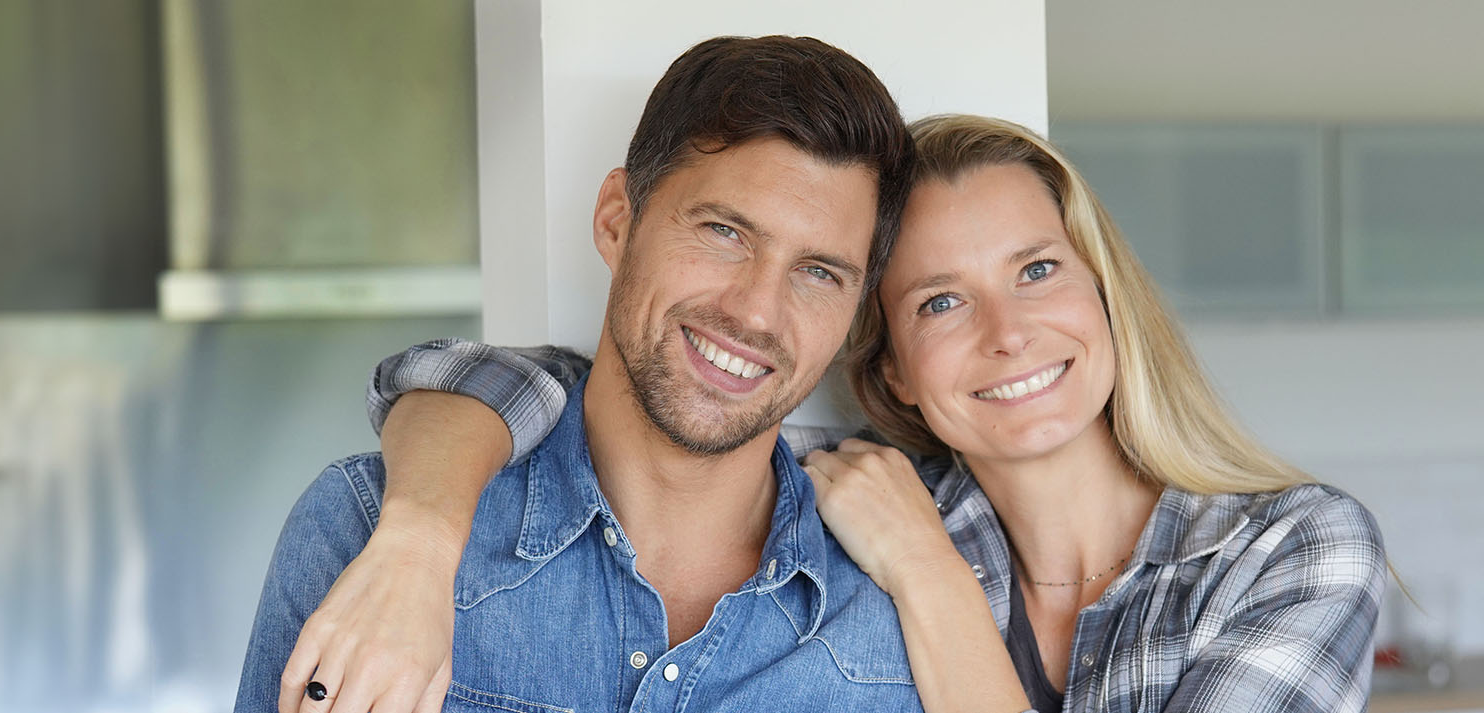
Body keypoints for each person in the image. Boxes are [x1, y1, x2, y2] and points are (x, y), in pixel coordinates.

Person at [293, 115, 1387, 713]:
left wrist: (924, 573)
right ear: (895, 366)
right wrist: (417, 539)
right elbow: (522, 382)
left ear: (1103, 291)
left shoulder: (1293, 544)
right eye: (940, 300)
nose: (1007, 333)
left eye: (1038, 269)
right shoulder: (852, 495)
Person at [235, 35, 928, 713]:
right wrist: (418, 539)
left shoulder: (903, 623)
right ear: (616, 221)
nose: (756, 312)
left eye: (818, 272)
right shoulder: (366, 534)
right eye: (724, 232)